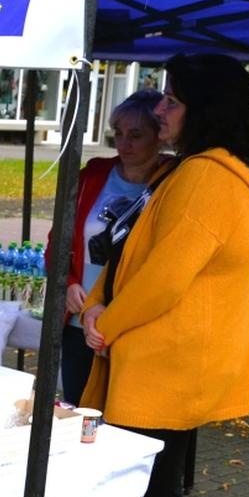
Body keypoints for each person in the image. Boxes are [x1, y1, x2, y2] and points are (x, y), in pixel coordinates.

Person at [79, 53, 249, 497]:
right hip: (164, 369)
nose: (160, 108)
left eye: (172, 99)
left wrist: (104, 324)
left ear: (204, 109)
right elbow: (131, 253)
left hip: (160, 371)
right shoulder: (195, 170)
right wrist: (97, 305)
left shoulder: (207, 177)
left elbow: (163, 277)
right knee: (155, 492)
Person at [48, 89, 169, 406]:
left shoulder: (172, 181)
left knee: (122, 413)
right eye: (118, 133)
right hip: (79, 315)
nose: (123, 143)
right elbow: (57, 240)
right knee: (78, 409)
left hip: (132, 319)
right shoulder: (94, 175)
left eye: (136, 135)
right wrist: (69, 281)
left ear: (159, 137)